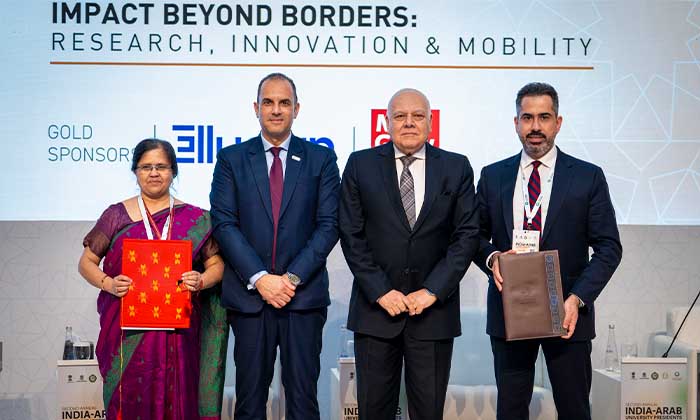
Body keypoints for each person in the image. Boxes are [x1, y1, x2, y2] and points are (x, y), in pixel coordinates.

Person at [475, 82, 623, 420]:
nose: (535, 127)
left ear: (558, 123)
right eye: (527, 118)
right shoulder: (493, 176)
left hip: (568, 313)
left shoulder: (587, 177)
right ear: (516, 123)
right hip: (510, 311)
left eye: (544, 117)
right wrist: (493, 258)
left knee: (574, 409)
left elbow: (609, 247)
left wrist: (577, 299)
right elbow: (474, 236)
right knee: (511, 411)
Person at [339, 88, 480, 420]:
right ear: (387, 122)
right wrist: (380, 291)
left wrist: (432, 291)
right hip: (376, 313)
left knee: (428, 413)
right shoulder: (360, 165)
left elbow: (466, 236)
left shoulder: (456, 167)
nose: (409, 123)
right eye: (400, 116)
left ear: (430, 122)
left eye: (417, 116)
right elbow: (351, 234)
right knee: (373, 413)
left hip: (433, 315)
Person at [209, 73, 340, 420]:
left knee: (303, 403)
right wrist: (260, 278)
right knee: (250, 403)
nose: (276, 110)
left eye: (284, 102)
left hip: (303, 298)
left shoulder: (321, 159)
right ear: (256, 108)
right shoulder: (231, 159)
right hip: (250, 300)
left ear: (297, 109)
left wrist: (290, 279)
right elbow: (224, 224)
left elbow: (329, 225)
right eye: (268, 102)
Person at [78, 138, 227, 420]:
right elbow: (86, 263)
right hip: (128, 332)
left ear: (173, 171)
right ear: (135, 172)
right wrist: (109, 284)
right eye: (146, 167)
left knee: (178, 399)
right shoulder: (116, 215)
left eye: (161, 166)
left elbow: (217, 265)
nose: (154, 173)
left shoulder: (197, 218)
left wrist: (201, 280)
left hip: (179, 333)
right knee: (129, 401)